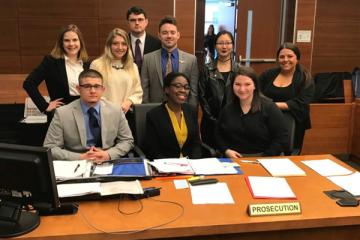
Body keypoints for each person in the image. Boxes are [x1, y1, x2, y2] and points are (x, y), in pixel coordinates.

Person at [43, 69, 134, 161]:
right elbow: (50, 148)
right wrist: (81, 157)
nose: (93, 91)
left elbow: (127, 141)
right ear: (78, 89)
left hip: (107, 159)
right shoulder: (62, 113)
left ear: (103, 89)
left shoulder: (115, 110)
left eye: (97, 86)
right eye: (87, 86)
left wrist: (108, 154)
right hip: (75, 162)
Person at [215, 67, 288, 158]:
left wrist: (264, 157)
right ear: (232, 86)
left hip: (264, 158)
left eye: (247, 84)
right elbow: (219, 135)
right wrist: (226, 150)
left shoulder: (269, 107)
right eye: (237, 84)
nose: (242, 89)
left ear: (255, 86)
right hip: (233, 160)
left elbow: (282, 138)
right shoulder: (227, 109)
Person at [259, 42, 314, 152]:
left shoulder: (305, 79)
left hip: (293, 123)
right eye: (282, 57)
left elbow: (301, 103)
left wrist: (272, 105)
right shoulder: (267, 74)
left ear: (297, 58)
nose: (285, 60)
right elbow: (257, 93)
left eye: (290, 56)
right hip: (267, 121)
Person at [23, 24, 91, 114]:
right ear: (61, 43)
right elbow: (29, 83)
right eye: (67, 40)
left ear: (80, 42)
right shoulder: (51, 62)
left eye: (75, 40)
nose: (71, 44)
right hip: (62, 112)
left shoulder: (87, 63)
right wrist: (45, 106)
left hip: (85, 110)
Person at [141, 15, 199, 107]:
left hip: (182, 112)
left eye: (172, 32)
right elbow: (144, 90)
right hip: (155, 111)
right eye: (165, 33)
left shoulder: (191, 60)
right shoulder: (148, 59)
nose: (169, 36)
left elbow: (193, 92)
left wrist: (191, 114)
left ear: (178, 35)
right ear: (159, 35)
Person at [144, 72, 202, 160]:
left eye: (186, 87)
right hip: (167, 167)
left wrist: (193, 162)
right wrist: (171, 166)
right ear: (167, 89)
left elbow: (196, 143)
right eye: (178, 86)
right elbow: (153, 150)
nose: (183, 90)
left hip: (190, 165)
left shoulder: (191, 111)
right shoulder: (154, 115)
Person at [199, 30, 240, 148]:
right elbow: (202, 97)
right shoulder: (207, 69)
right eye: (220, 43)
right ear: (215, 45)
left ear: (232, 45)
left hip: (234, 122)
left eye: (228, 43)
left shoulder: (239, 70)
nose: (224, 46)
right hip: (210, 122)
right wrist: (213, 119)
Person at [90, 28, 143, 114]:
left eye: (124, 44)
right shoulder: (97, 65)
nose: (120, 47)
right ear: (109, 45)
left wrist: (128, 102)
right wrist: (113, 108)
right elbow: (93, 91)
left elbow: (138, 92)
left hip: (127, 114)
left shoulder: (133, 66)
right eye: (115, 44)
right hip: (103, 114)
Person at [126, 6, 161, 72]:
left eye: (140, 19)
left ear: (146, 22)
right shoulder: (122, 42)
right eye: (133, 20)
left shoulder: (157, 44)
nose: (137, 23)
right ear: (128, 23)